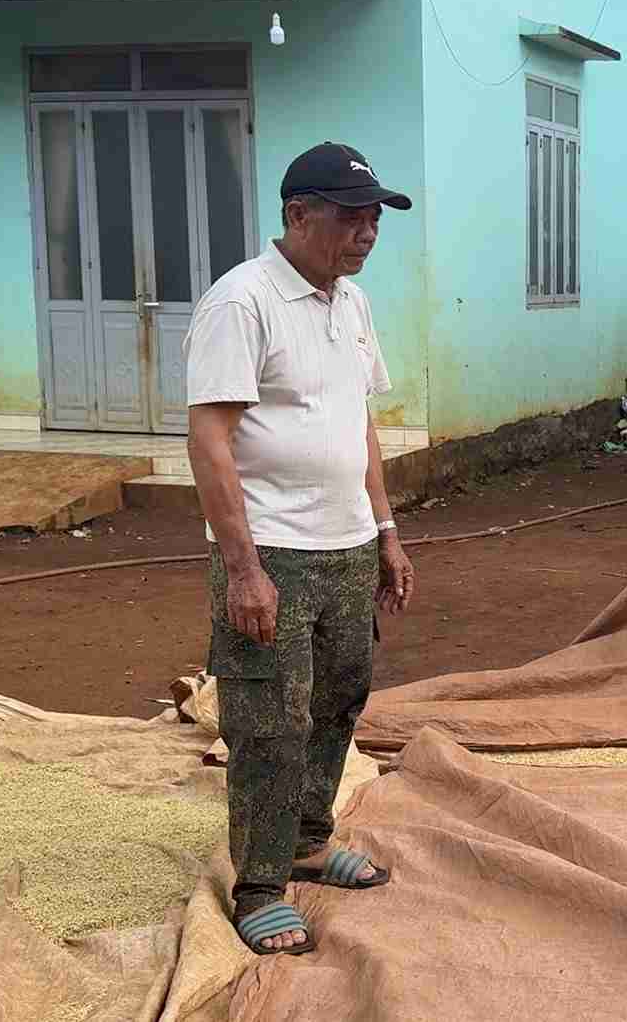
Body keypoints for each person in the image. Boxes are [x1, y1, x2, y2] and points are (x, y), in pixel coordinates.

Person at [184, 142, 418, 955]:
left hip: (347, 546)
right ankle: (259, 884)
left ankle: (308, 842)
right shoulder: (241, 302)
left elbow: (359, 424)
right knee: (268, 720)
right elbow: (209, 440)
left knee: (338, 699)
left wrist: (386, 531)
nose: (367, 232)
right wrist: (242, 568)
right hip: (273, 552)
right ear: (297, 214)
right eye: (351, 217)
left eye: (374, 218)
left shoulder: (350, 303)